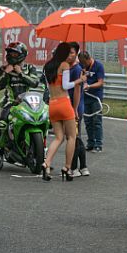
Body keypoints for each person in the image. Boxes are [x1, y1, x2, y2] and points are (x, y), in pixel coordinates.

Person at [42, 42, 84, 181]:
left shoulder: (48, 66)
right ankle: (67, 167)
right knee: (71, 137)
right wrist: (80, 80)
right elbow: (66, 85)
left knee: (58, 137)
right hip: (64, 103)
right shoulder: (64, 65)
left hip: (52, 104)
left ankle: (46, 162)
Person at [0, 42, 41, 155]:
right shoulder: (4, 68)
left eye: (14, 53)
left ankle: (42, 153)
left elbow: (35, 83)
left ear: (21, 54)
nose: (10, 55)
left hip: (27, 103)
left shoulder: (30, 68)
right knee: (2, 125)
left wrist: (20, 73)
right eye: (9, 53)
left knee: (39, 121)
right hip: (10, 103)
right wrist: (5, 73)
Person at [66, 43, 88, 178]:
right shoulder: (69, 68)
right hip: (69, 106)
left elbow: (77, 91)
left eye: (72, 53)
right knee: (75, 137)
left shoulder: (76, 69)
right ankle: (83, 166)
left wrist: (74, 109)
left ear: (77, 54)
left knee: (73, 138)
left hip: (75, 106)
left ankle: (74, 167)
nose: (69, 55)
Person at [80, 50, 105, 153]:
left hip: (95, 97)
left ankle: (98, 144)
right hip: (85, 98)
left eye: (84, 62)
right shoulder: (83, 67)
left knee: (97, 121)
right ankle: (90, 143)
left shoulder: (98, 66)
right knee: (88, 122)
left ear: (88, 59)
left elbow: (100, 83)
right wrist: (82, 79)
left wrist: (89, 86)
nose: (83, 65)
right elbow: (80, 79)